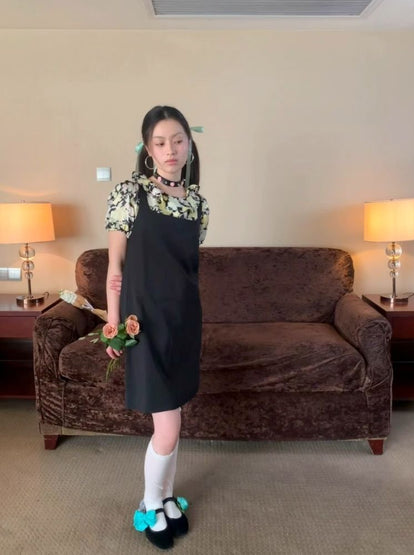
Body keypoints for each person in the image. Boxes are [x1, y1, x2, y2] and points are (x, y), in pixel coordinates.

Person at [104, 106, 209, 550]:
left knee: (175, 417)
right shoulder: (129, 193)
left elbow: (185, 269)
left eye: (179, 140)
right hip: (143, 323)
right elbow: (116, 268)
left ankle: (166, 498)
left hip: (184, 320)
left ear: (190, 144)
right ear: (148, 149)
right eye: (161, 143)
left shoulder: (198, 203)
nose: (171, 150)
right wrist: (114, 322)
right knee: (167, 425)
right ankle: (150, 504)